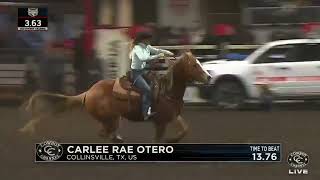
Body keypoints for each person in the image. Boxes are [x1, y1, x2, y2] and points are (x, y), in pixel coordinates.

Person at [130, 31, 174, 120]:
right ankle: (145, 112)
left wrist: (168, 52)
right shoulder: (137, 48)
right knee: (147, 90)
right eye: (148, 39)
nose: (149, 41)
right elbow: (143, 58)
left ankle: (155, 106)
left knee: (157, 83)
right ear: (143, 40)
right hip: (136, 73)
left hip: (143, 71)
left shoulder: (147, 47)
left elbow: (157, 50)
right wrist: (157, 56)